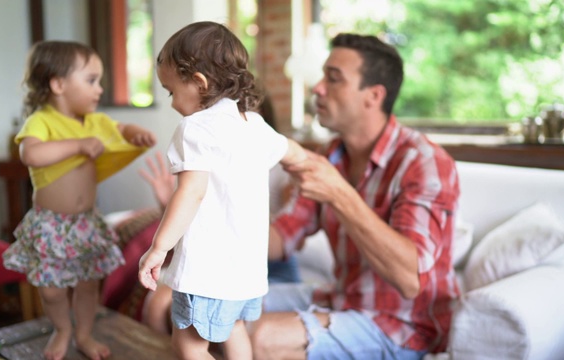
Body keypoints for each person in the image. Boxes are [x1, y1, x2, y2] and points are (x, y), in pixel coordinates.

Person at [249, 33, 461, 359]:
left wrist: (339, 193)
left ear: (373, 95)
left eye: (333, 79)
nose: (318, 88)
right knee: (210, 305)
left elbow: (410, 279)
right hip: (342, 299)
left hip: (406, 327)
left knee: (264, 337)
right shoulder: (331, 154)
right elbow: (279, 240)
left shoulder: (422, 162)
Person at [137, 21, 307, 359]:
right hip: (247, 273)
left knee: (187, 345)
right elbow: (293, 152)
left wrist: (158, 248)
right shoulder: (254, 124)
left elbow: (191, 192)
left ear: (199, 83)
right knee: (235, 333)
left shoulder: (195, 128)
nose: (171, 104)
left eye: (171, 92)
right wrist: (308, 168)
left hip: (207, 271)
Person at [2, 40, 156, 360]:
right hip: (51, 224)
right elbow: (30, 153)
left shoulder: (96, 122)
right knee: (51, 288)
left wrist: (133, 132)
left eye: (99, 80)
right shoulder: (41, 120)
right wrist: (77, 146)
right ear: (58, 84)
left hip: (86, 220)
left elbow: (120, 127)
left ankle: (84, 334)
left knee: (88, 284)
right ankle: (62, 330)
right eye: (91, 80)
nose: (99, 89)